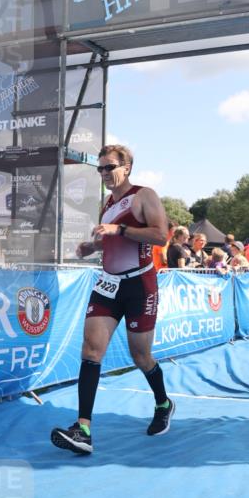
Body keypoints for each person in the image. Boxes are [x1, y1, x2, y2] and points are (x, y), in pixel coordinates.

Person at [50, 144, 171, 456]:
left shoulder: (144, 196)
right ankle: (83, 429)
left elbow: (160, 236)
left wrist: (120, 228)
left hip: (140, 285)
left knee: (141, 356)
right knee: (91, 350)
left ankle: (163, 403)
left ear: (126, 168)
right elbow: (113, 242)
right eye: (100, 168)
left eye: (109, 167)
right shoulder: (107, 204)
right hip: (108, 284)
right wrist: (92, 247)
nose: (103, 173)